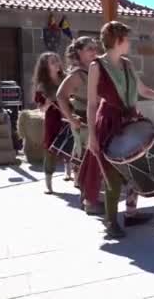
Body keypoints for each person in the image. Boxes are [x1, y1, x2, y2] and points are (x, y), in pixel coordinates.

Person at [78, 21, 154, 238]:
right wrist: (91, 135)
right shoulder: (96, 66)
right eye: (126, 39)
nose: (129, 43)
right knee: (114, 175)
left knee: (135, 165)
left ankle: (131, 213)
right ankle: (111, 222)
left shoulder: (127, 64)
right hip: (109, 122)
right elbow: (91, 104)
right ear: (117, 41)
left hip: (129, 118)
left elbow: (143, 90)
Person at [56, 36, 104, 215]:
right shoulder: (77, 75)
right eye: (89, 49)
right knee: (86, 162)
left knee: (94, 161)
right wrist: (71, 118)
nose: (94, 51)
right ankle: (88, 201)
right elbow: (61, 96)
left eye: (95, 48)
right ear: (79, 53)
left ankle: (91, 198)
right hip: (84, 122)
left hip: (99, 119)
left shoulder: (95, 69)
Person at [32, 52, 65, 194]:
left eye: (57, 60)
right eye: (53, 62)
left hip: (68, 116)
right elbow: (41, 109)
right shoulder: (42, 85)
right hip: (53, 119)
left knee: (73, 146)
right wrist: (48, 102)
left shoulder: (66, 79)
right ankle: (48, 183)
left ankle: (72, 175)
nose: (57, 64)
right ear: (46, 66)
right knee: (50, 149)